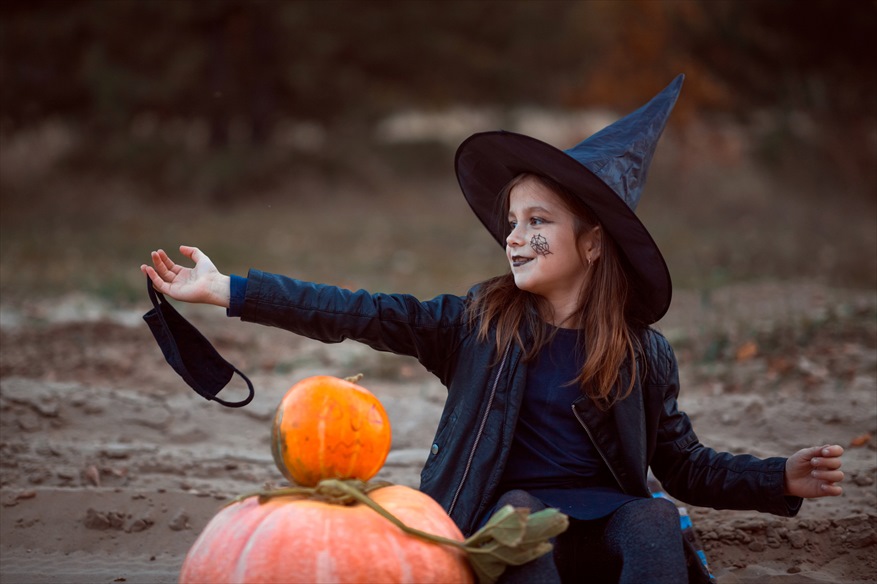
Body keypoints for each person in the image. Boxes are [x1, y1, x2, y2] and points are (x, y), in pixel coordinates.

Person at [141, 75, 844, 583]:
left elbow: (683, 464)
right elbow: (354, 309)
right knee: (515, 513)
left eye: (537, 222)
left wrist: (776, 477)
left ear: (592, 244)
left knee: (654, 518)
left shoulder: (639, 353)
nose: (514, 238)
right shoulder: (475, 326)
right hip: (505, 528)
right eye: (511, 223)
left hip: (606, 529)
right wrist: (228, 289)